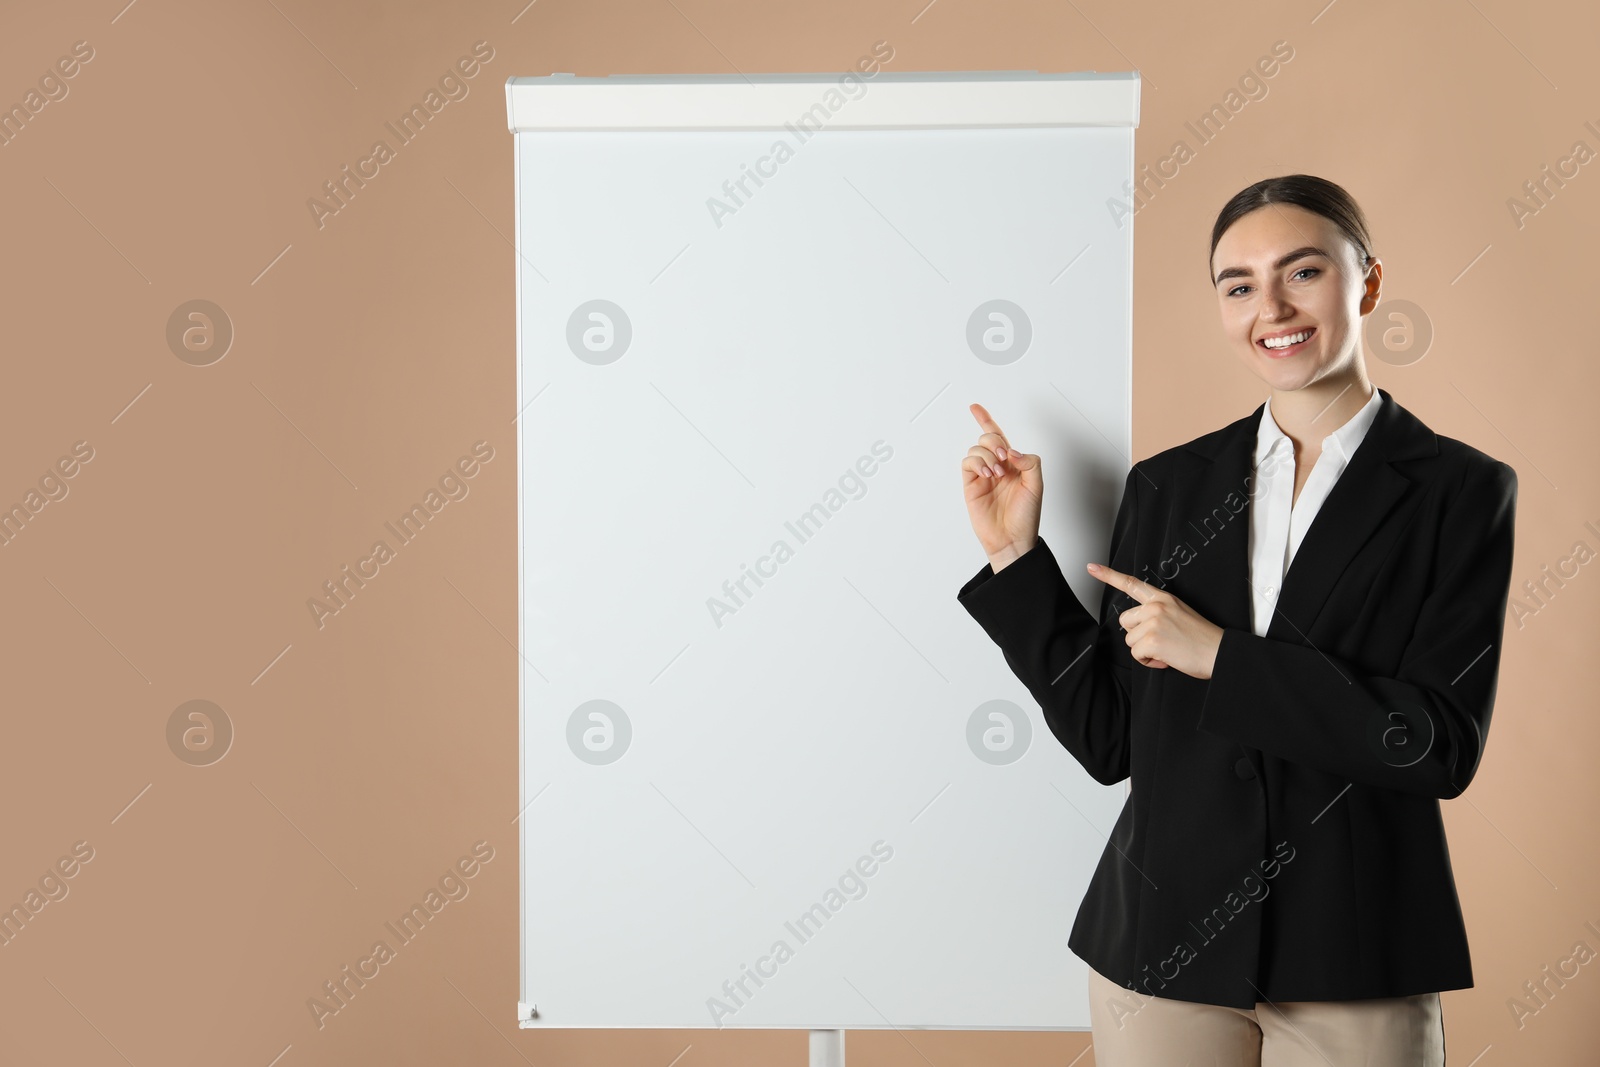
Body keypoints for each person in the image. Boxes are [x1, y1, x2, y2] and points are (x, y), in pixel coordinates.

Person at [955, 174, 1518, 1066]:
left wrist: (1221, 657)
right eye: (1240, 284)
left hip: (1356, 954)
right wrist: (1015, 560)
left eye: (1304, 273)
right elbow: (1111, 740)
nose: (1272, 308)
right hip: (1159, 947)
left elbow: (1436, 742)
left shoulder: (1461, 491)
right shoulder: (1170, 488)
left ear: (1367, 283)